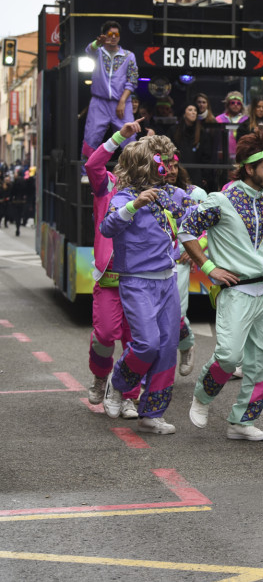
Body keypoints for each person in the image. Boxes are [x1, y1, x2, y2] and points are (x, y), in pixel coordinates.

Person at [179, 130, 263, 440]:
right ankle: (202, 397)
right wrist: (209, 267)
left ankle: (242, 422)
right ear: (249, 168)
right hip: (235, 291)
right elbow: (186, 230)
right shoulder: (221, 201)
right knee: (228, 357)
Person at [99, 134, 184, 434]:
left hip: (167, 281)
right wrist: (134, 205)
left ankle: (152, 415)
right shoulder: (123, 198)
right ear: (146, 165)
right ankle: (117, 384)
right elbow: (107, 227)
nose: (169, 168)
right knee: (147, 344)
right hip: (136, 282)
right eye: (163, 162)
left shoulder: (171, 194)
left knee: (167, 349)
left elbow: (193, 214)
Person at [84, 121, 143, 419]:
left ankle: (129, 394)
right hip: (109, 278)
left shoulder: (150, 190)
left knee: (136, 340)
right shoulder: (106, 186)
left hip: (140, 279)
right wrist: (121, 135)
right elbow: (92, 164)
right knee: (106, 334)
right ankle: (100, 376)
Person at [165, 160, 208, 377]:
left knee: (177, 314)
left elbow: (209, 227)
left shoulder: (195, 193)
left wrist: (194, 249)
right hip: (154, 263)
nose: (171, 170)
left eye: (174, 165)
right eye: (165, 165)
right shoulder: (149, 192)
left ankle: (186, 345)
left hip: (180, 262)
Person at [81, 21, 138, 158]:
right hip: (99, 102)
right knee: (91, 136)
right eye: (110, 34)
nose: (113, 37)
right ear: (104, 35)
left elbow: (132, 80)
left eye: (116, 34)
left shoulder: (128, 56)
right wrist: (97, 43)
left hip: (122, 102)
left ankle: (134, 168)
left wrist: (122, 101)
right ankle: (86, 168)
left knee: (130, 137)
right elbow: (89, 50)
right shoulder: (98, 53)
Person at [215, 91, 249, 161]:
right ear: (228, 104)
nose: (236, 105)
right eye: (233, 103)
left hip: (242, 156)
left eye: (238, 103)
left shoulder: (247, 120)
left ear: (241, 105)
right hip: (222, 156)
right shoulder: (219, 119)